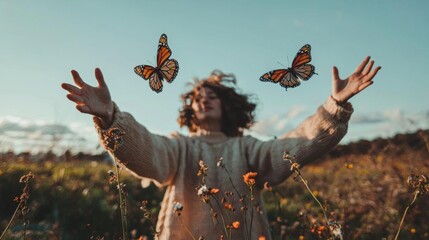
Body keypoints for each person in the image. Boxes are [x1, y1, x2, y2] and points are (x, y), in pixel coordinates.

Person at [61, 56, 381, 239]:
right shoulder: (180, 147)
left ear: (228, 106)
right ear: (191, 110)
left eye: (212, 96)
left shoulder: (247, 149)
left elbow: (293, 146)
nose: (204, 99)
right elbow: (151, 156)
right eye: (198, 97)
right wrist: (111, 117)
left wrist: (334, 106)